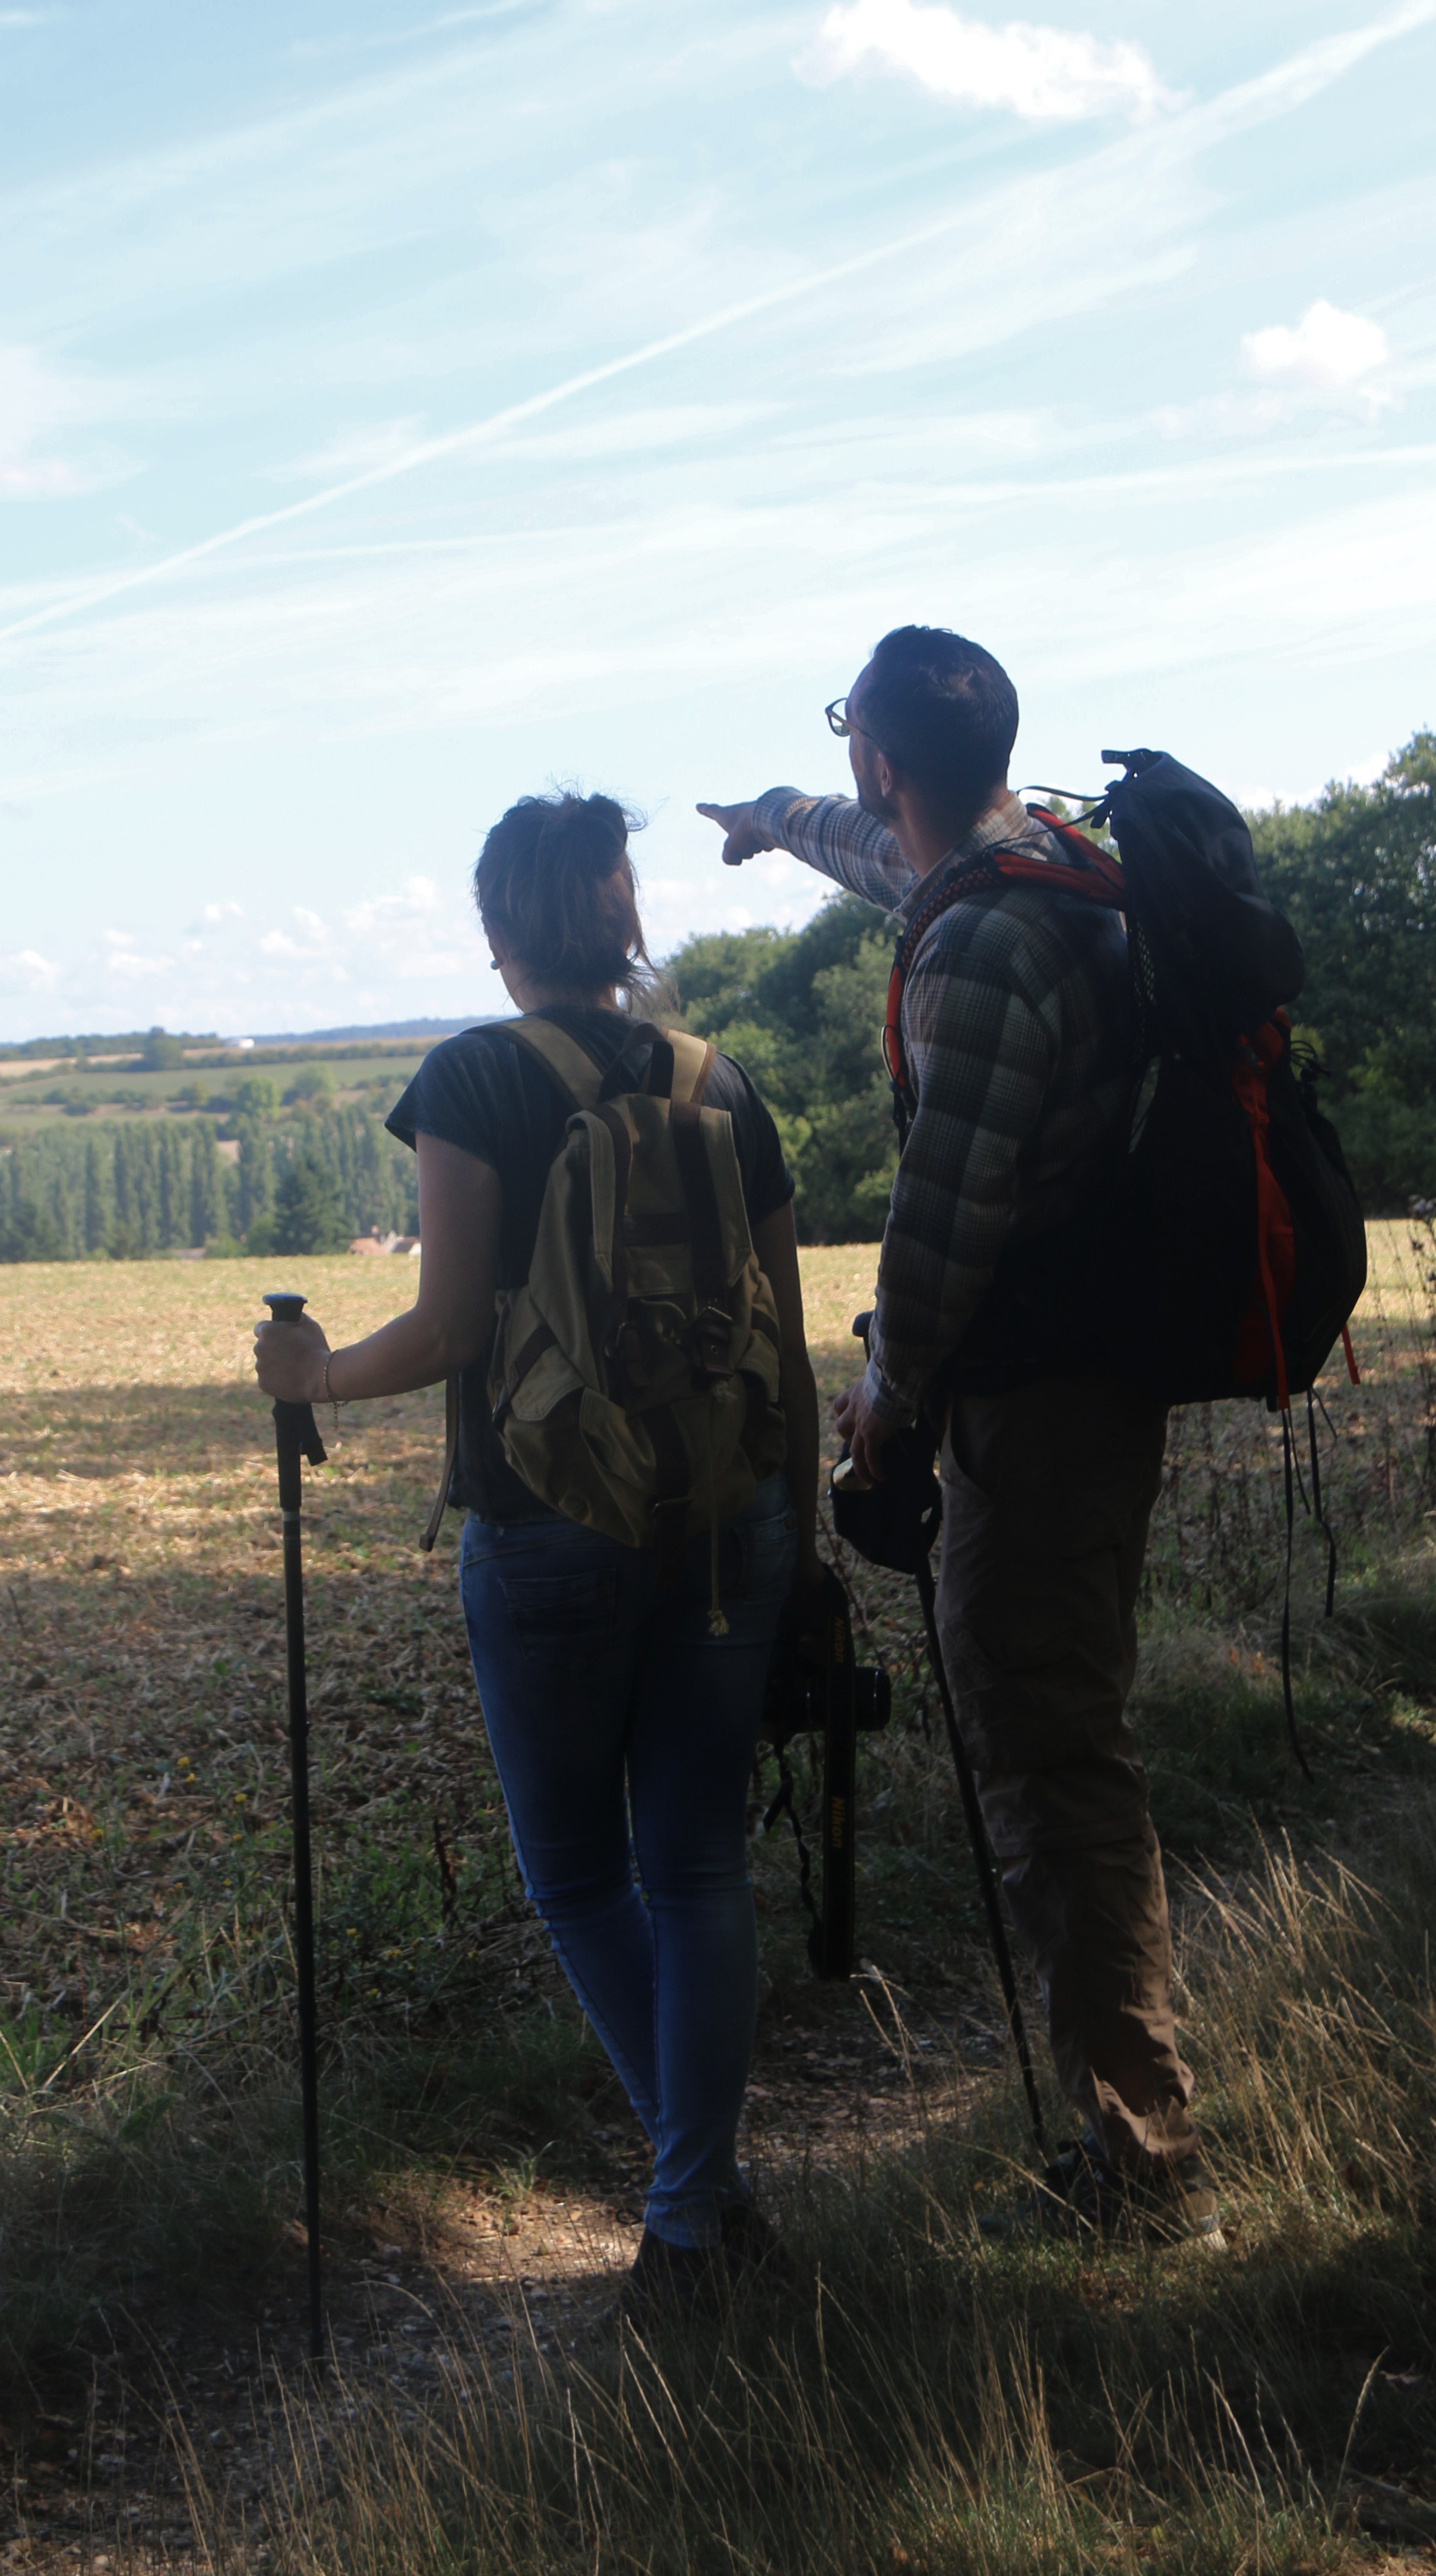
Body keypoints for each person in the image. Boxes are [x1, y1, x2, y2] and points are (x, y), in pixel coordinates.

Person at [254, 790, 821, 2315]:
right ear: (625, 919)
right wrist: (804, 1540)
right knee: (700, 1867)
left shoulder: (475, 1077)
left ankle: (698, 2206)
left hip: (549, 1525)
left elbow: (448, 1329)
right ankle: (699, 2217)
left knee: (576, 1873)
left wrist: (314, 1378)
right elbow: (785, 1341)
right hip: (732, 1525)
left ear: (500, 930)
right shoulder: (723, 1082)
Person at [700, 625, 1220, 2245]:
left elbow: (941, 1223)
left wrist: (887, 1398)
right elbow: (876, 855)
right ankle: (1130, 2132)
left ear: (881, 757)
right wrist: (768, 818)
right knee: (1066, 1731)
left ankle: (1140, 2160)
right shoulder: (1035, 858)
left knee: (1050, 1750)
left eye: (846, 749)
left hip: (1040, 1403)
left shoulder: (981, 950)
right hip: (1086, 1376)